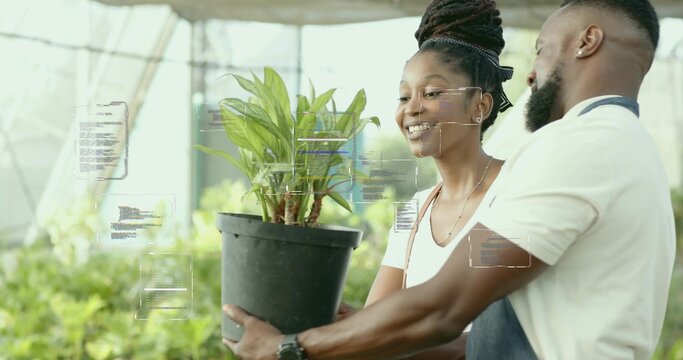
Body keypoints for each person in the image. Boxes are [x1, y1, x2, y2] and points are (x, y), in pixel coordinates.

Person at [223, 0, 676, 358]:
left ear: (587, 41)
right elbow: (455, 336)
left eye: (540, 48)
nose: (532, 71)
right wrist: (356, 328)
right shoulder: (621, 145)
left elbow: (442, 309)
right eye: (404, 96)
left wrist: (287, 350)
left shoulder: (573, 149)